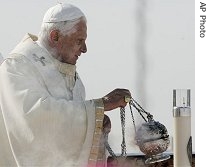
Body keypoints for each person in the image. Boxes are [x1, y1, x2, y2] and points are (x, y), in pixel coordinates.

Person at [0, 3, 131, 167]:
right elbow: (37, 120)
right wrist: (99, 106)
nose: (85, 49)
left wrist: (96, 125)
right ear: (55, 36)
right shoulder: (17, 67)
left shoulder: (72, 77)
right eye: (79, 41)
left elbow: (66, 136)